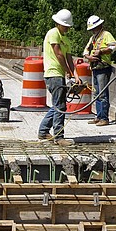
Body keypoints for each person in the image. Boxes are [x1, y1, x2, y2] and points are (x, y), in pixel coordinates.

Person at [37, 8, 76, 147]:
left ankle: (43, 131)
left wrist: (75, 75)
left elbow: (69, 58)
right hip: (53, 74)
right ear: (59, 23)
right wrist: (68, 72)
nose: (67, 28)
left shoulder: (66, 39)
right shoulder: (53, 33)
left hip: (59, 75)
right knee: (60, 106)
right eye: (65, 25)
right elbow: (59, 54)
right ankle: (59, 137)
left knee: (58, 105)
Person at [82, 15, 116, 127]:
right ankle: (98, 116)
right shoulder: (93, 38)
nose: (92, 30)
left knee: (102, 94)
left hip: (103, 67)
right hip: (95, 67)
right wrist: (89, 57)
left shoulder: (106, 35)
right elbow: (85, 51)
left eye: (94, 28)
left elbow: (114, 47)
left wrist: (101, 52)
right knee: (97, 93)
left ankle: (104, 118)